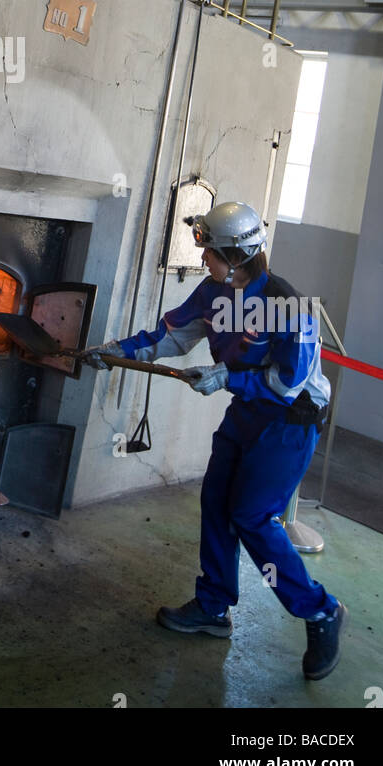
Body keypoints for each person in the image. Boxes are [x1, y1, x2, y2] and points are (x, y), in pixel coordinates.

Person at [97, 200, 346, 681]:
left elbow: (287, 382)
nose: (203, 259)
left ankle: (320, 611)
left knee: (251, 515)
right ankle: (213, 607)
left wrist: (227, 378)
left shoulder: (287, 305)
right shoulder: (214, 293)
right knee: (216, 501)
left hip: (289, 421)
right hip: (248, 414)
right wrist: (115, 352)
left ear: (236, 254)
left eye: (209, 251)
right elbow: (171, 335)